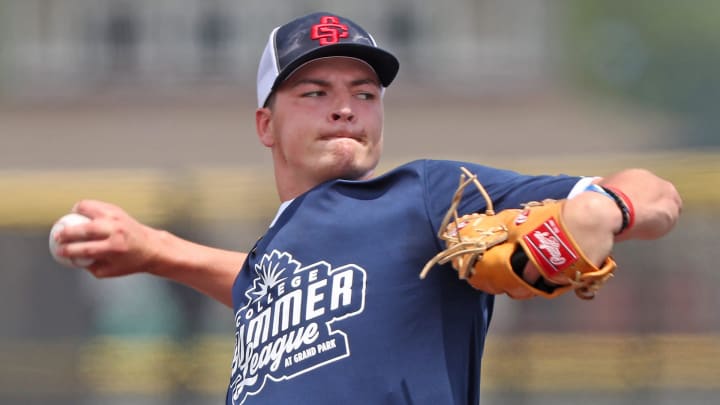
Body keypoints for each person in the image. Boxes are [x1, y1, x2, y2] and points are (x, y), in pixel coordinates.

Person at [53, 11, 682, 405]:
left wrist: (606, 208)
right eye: (315, 90)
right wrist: (153, 250)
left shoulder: (424, 195)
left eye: (365, 91)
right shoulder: (278, 256)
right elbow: (254, 285)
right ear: (265, 124)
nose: (346, 106)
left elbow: (658, 195)